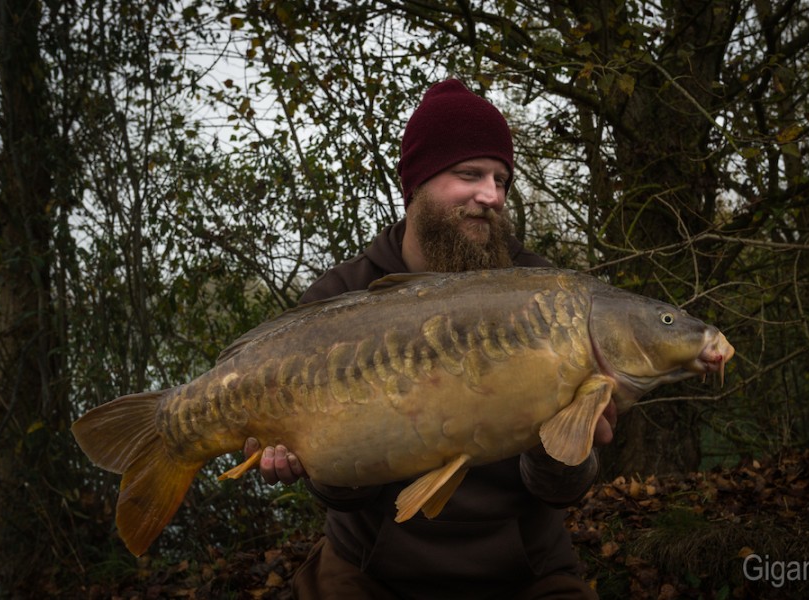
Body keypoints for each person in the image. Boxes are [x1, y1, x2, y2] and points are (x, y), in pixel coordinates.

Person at [243, 79, 617, 599]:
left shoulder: (549, 298)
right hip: (373, 565)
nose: (491, 195)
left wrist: (564, 444)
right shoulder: (340, 298)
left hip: (522, 565)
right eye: (470, 175)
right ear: (414, 185)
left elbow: (564, 493)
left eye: (501, 179)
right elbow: (342, 499)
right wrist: (314, 462)